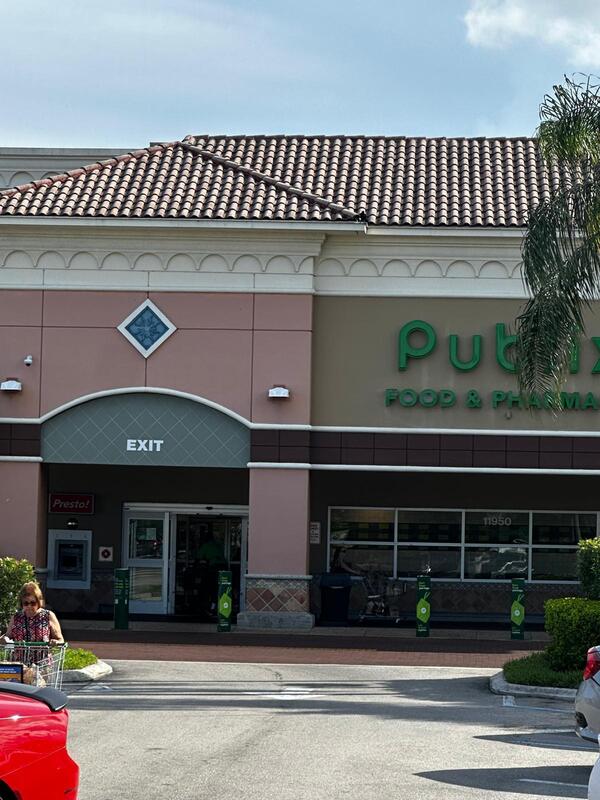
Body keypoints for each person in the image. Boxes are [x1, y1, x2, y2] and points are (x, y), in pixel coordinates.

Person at [2, 581, 64, 648]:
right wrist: (4, 639)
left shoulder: (48, 616)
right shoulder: (16, 617)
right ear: (21, 603)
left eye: (33, 603)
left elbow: (60, 640)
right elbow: (7, 637)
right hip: (19, 655)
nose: (29, 606)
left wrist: (55, 642)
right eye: (26, 603)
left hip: (43, 654)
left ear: (38, 602)